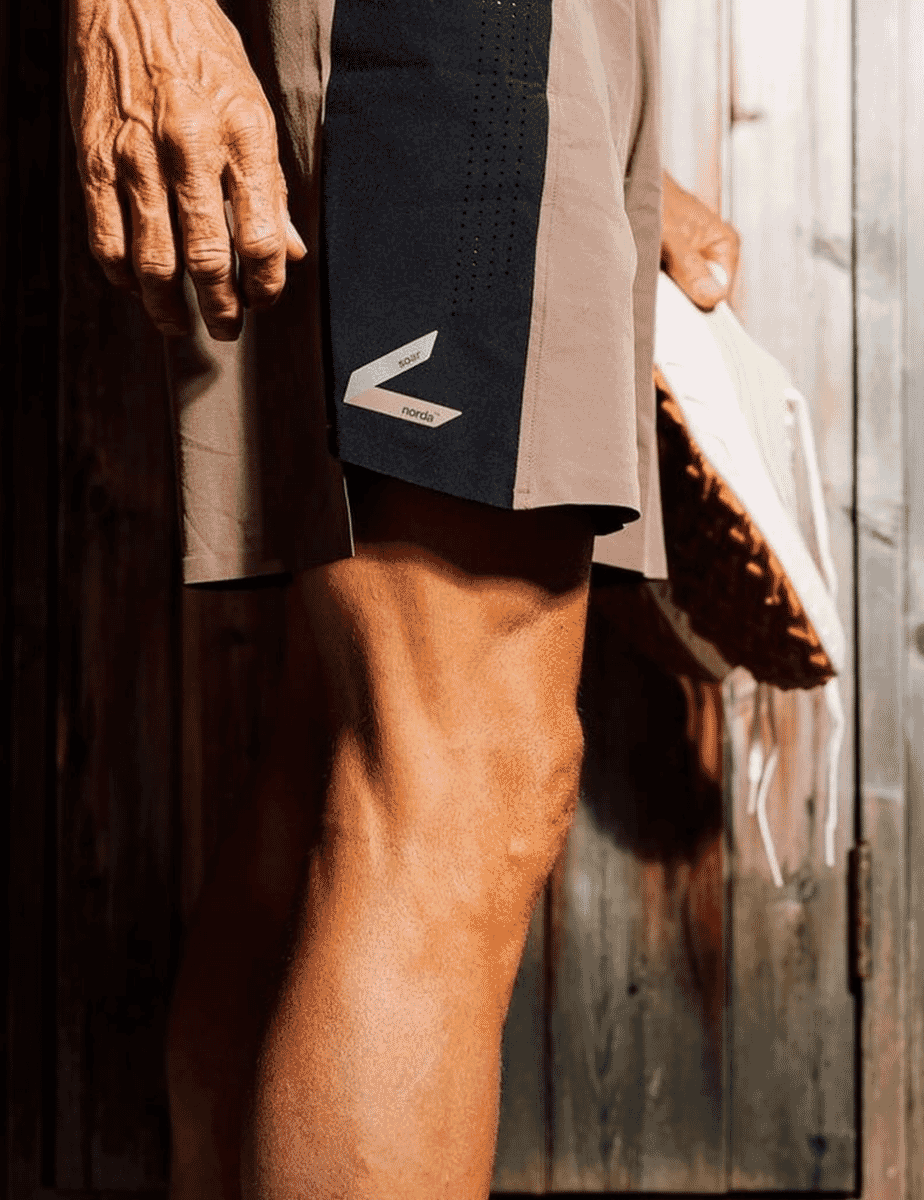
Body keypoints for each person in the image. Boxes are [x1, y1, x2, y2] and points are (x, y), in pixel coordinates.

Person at [66, 0, 739, 1195]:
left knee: (346, 753)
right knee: (458, 772)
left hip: (530, 43)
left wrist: (589, 113)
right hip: (455, 30)